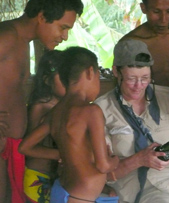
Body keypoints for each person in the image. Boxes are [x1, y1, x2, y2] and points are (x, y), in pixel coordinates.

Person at [0, 0, 83, 203]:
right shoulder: (7, 37)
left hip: (10, 146)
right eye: (63, 28)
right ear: (42, 16)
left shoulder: (21, 41)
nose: (65, 36)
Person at [95, 39, 169, 203]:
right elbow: (102, 172)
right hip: (130, 191)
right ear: (116, 72)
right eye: (131, 78)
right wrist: (139, 160)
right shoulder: (101, 109)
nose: (139, 85)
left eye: (145, 78)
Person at [19, 46, 120, 203]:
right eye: (98, 76)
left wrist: (62, 154)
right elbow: (103, 166)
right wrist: (114, 160)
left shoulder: (56, 112)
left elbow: (25, 147)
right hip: (79, 198)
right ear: (90, 72)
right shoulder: (91, 111)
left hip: (62, 191)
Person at [121, 0, 169, 92]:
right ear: (143, 8)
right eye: (156, 12)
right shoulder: (130, 44)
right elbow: (122, 85)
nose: (163, 19)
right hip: (149, 104)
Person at [24, 50, 65, 203]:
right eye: (64, 79)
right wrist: (60, 154)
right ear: (47, 81)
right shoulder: (40, 107)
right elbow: (29, 147)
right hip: (37, 175)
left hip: (56, 177)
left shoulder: (66, 105)